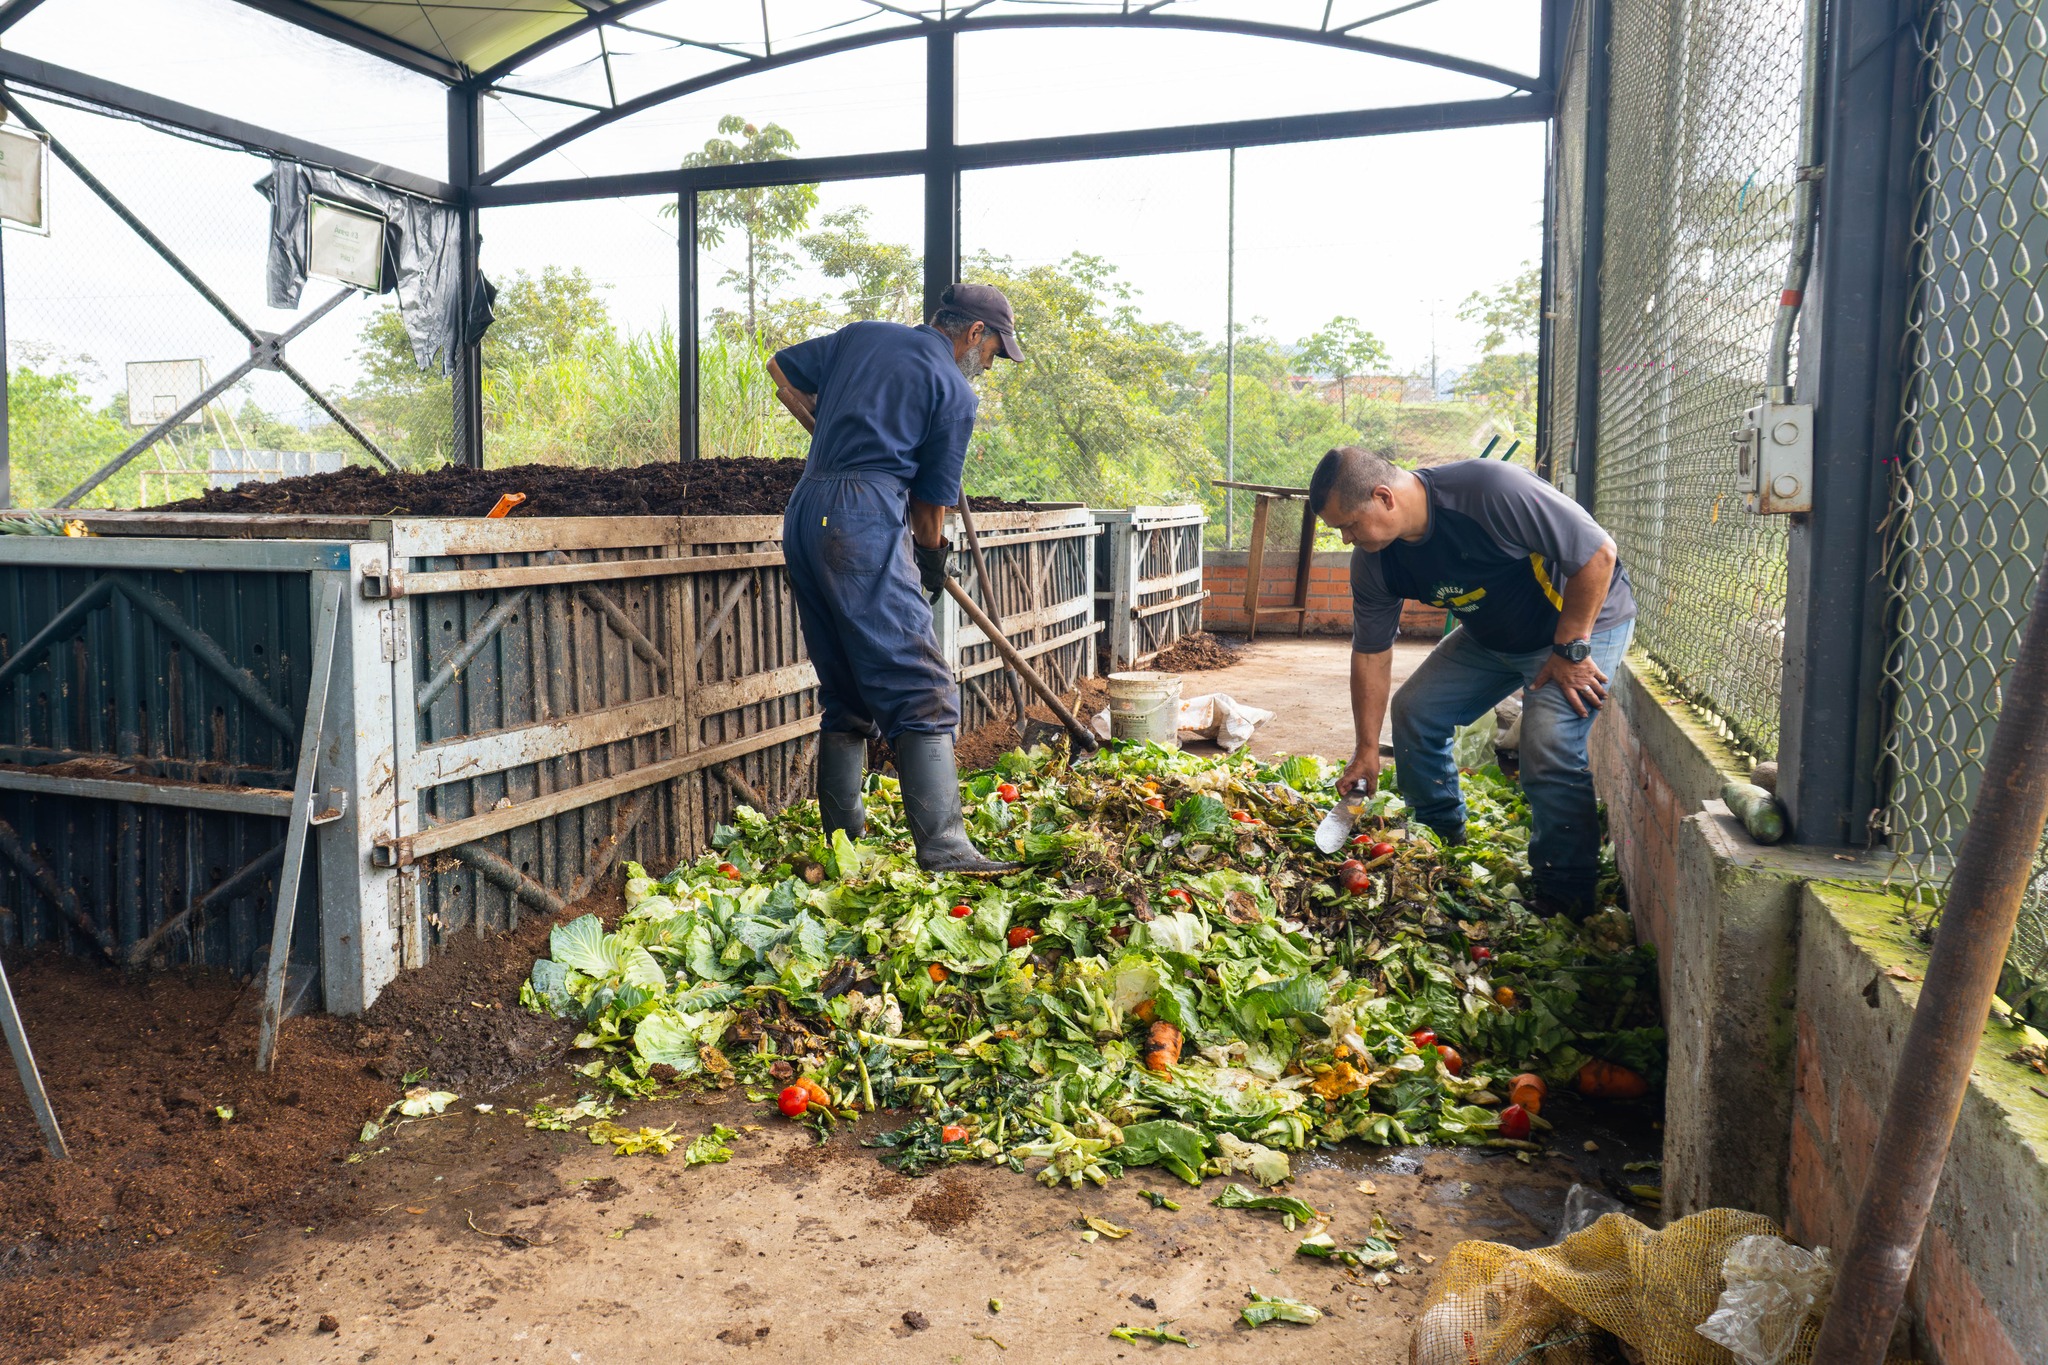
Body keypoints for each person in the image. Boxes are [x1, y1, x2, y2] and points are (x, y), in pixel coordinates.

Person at [1309, 446, 1637, 920]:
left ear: (1384, 497)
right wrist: (1364, 747)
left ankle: (1565, 896)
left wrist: (1570, 648)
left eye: (1349, 525)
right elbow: (1371, 654)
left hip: (1581, 625)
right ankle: (1441, 841)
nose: (1345, 539)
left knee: (1547, 743)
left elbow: (1598, 555)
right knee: (1416, 711)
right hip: (1493, 636)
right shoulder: (1375, 561)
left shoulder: (1489, 490)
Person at [767, 283, 1026, 875]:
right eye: (992, 354)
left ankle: (843, 843)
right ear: (973, 334)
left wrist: (819, 422)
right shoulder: (953, 392)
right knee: (923, 687)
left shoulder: (865, 336)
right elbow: (929, 514)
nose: (988, 367)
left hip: (807, 507)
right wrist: (932, 564)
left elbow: (779, 366)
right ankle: (944, 846)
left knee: (846, 690)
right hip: (861, 517)